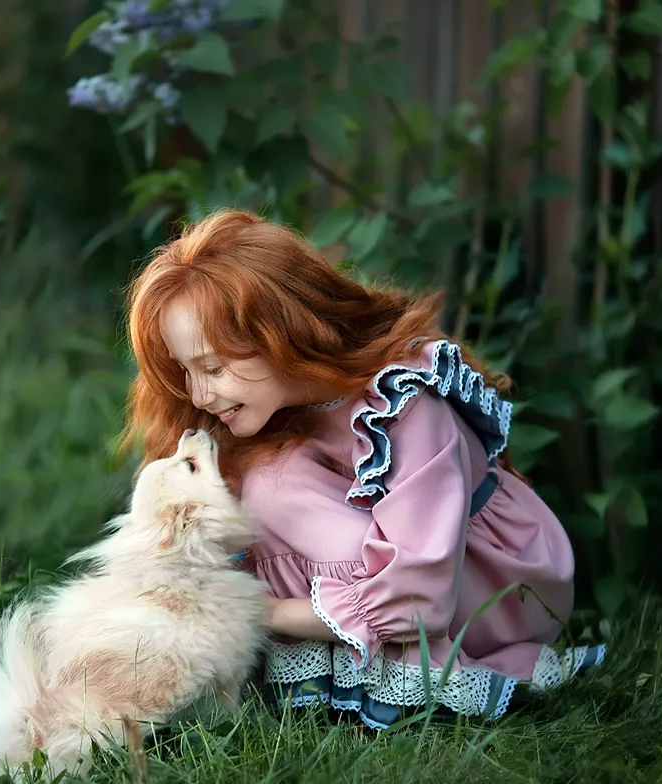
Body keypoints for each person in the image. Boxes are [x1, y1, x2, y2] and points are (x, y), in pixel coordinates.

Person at [118, 208, 604, 729]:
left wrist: (264, 614)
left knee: (273, 487)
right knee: (264, 478)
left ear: (284, 331)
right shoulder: (273, 413)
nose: (198, 393)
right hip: (403, 574)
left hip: (487, 584)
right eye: (185, 371)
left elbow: (426, 596)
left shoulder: (405, 403)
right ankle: (324, 661)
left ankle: (393, 672)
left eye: (213, 368)